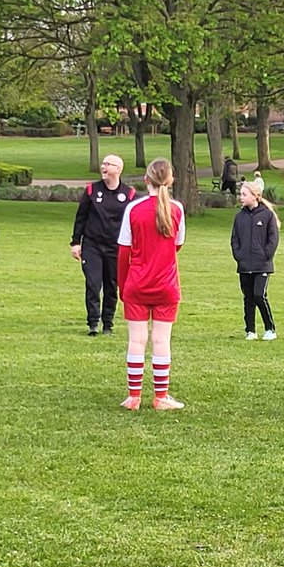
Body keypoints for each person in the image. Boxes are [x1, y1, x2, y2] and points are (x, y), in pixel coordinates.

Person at [117, 158, 186, 410]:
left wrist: (122, 285)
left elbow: (124, 252)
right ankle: (160, 396)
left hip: (136, 283)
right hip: (166, 285)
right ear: (170, 180)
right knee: (161, 340)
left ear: (146, 180)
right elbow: (177, 245)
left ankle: (133, 396)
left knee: (136, 341)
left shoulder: (133, 209)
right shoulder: (177, 209)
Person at [70, 154, 136, 335]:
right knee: (93, 284)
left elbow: (134, 222)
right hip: (93, 245)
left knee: (111, 285)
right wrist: (76, 242)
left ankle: (108, 323)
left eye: (108, 164)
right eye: (103, 163)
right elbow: (81, 217)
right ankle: (93, 323)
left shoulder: (129, 194)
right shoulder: (92, 190)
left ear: (118, 169)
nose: (103, 167)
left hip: (116, 247)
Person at [231, 180, 280, 340]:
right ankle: (250, 330)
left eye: (244, 194)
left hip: (262, 265)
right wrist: (239, 256)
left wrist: (266, 255)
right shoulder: (239, 217)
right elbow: (235, 239)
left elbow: (273, 239)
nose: (241, 197)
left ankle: (270, 329)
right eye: (241, 194)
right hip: (245, 265)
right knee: (248, 298)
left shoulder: (267, 216)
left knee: (259, 295)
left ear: (255, 196)